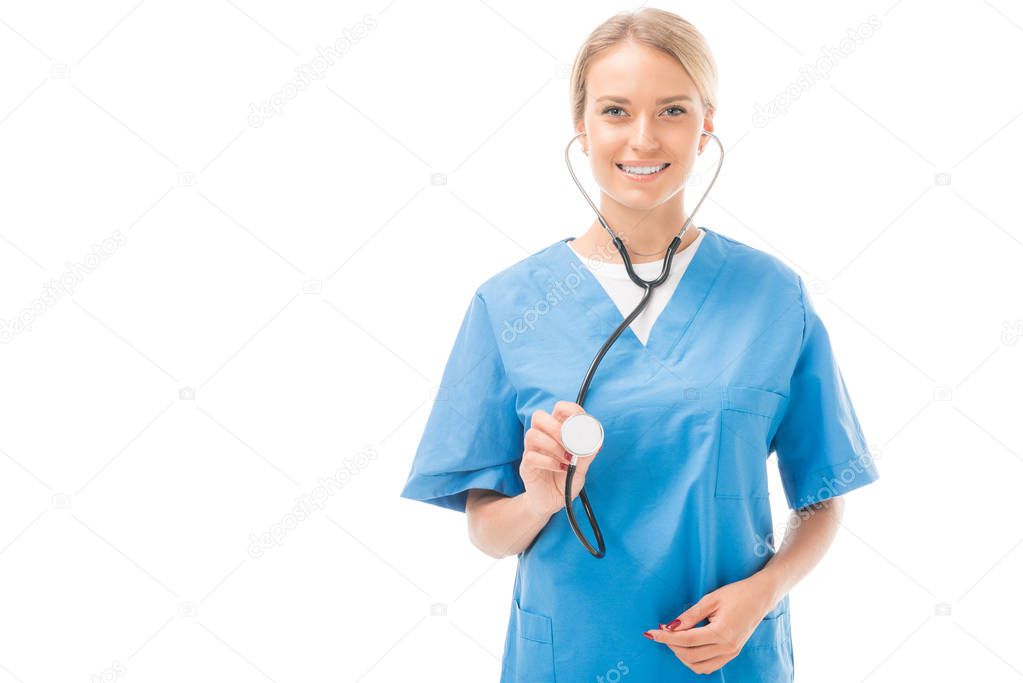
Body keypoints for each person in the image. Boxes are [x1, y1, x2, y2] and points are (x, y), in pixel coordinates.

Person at [400, 8, 879, 681]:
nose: (643, 138)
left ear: (706, 123)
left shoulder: (773, 296)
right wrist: (539, 498)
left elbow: (821, 496)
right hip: (569, 657)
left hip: (727, 661)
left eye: (673, 110)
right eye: (616, 110)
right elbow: (486, 529)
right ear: (582, 124)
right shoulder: (508, 306)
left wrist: (761, 594)